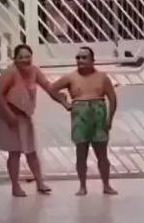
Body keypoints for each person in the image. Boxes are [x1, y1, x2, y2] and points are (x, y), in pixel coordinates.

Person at [0, 44, 71, 197]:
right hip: (7, 114)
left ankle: (40, 183)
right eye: (21, 57)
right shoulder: (10, 72)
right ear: (15, 59)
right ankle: (15, 186)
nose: (25, 60)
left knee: (31, 150)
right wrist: (9, 115)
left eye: (28, 56)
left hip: (24, 116)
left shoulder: (34, 70)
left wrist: (63, 102)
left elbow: (48, 87)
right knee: (14, 152)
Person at [51, 46, 118, 196]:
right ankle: (82, 186)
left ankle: (106, 185)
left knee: (102, 155)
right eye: (78, 58)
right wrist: (64, 103)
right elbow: (52, 89)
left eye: (84, 57)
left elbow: (113, 99)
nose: (80, 60)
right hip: (80, 118)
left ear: (93, 60)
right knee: (81, 154)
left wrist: (110, 119)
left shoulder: (102, 77)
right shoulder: (70, 77)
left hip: (98, 117)